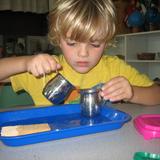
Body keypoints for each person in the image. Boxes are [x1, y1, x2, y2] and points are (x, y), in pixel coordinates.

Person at [0, 0, 160, 107]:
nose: (83, 53)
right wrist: (26, 63)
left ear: (107, 42)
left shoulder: (114, 68)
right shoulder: (44, 69)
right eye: (72, 43)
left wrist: (132, 93)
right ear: (58, 39)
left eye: (95, 44)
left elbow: (156, 94)